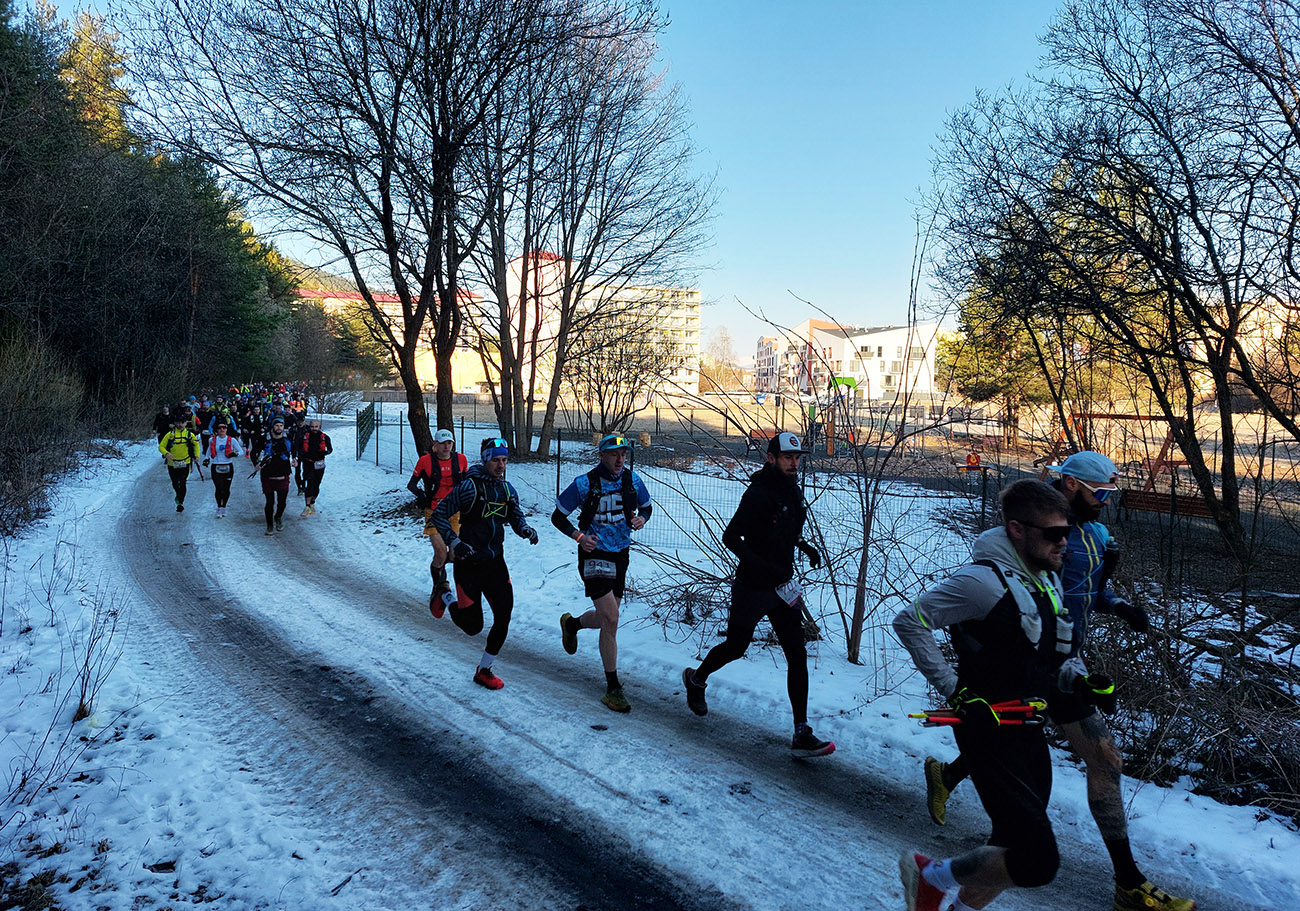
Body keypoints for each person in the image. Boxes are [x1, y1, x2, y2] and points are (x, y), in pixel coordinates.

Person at [921, 452, 1194, 911]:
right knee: (1087, 770)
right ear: (1070, 485)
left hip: (1064, 664)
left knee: (1078, 776)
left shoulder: (1094, 535)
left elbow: (1088, 593)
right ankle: (1126, 882)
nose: (1106, 500)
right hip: (1035, 667)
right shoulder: (1035, 535)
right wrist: (959, 683)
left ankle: (950, 785)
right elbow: (986, 600)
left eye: (1111, 491)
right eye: (1100, 491)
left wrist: (1120, 607)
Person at [893, 479, 1076, 911]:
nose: (1063, 542)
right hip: (988, 731)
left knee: (1008, 846)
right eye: (1053, 533)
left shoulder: (1045, 579)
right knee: (1038, 862)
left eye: (1066, 531)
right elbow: (910, 621)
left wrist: (1079, 679)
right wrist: (957, 691)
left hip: (1028, 729)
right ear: (1017, 529)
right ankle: (930, 875)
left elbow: (1052, 649)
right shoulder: (982, 583)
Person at [680, 432, 831, 757]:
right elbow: (731, 537)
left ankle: (801, 732)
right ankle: (697, 679)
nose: (794, 463)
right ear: (771, 458)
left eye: (797, 458)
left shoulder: (793, 491)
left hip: (783, 588)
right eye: (788, 458)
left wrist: (803, 545)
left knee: (797, 654)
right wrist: (758, 563)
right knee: (737, 646)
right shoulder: (757, 494)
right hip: (752, 587)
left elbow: (786, 530)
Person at [552, 432, 652, 713]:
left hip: (620, 553)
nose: (620, 460)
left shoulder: (633, 480)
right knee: (611, 618)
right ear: (602, 455)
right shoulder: (584, 483)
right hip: (593, 553)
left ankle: (572, 625)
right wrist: (579, 537)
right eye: (614, 454)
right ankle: (613, 687)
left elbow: (647, 507)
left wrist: (641, 518)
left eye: (623, 454)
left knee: (607, 618)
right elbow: (558, 516)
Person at [430, 437, 538, 690]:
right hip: (468, 564)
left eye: (504, 460)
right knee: (472, 626)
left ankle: (484, 670)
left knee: (504, 616)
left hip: (495, 563)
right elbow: (439, 515)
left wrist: (525, 529)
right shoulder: (469, 487)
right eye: (496, 460)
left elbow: (515, 516)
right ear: (485, 460)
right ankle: (444, 594)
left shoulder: (507, 490)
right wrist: (455, 542)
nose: (501, 466)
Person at [408, 429, 468, 618]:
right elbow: (412, 484)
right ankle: (439, 587)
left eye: (449, 442)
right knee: (441, 553)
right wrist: (422, 496)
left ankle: (445, 579)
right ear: (435, 444)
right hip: (434, 513)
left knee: (454, 555)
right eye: (442, 443)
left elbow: (467, 483)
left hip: (454, 512)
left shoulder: (461, 460)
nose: (446, 446)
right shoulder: (425, 461)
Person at [253, 415, 296, 534]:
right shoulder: (264, 439)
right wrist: (256, 464)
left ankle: (278, 517)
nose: (279, 428)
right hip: (268, 475)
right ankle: (269, 525)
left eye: (281, 425)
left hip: (283, 474)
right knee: (270, 502)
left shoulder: (288, 438)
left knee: (282, 502)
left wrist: (295, 458)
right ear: (272, 427)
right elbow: (254, 452)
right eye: (276, 425)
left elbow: (294, 449)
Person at [158, 412, 201, 512]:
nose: (180, 424)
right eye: (178, 422)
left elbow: (196, 445)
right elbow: (161, 446)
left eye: (182, 422)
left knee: (182, 482)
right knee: (174, 483)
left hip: (185, 462)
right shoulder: (170, 435)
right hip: (172, 463)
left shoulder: (189, 435)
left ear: (186, 423)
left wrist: (196, 456)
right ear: (175, 423)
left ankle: (180, 502)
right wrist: (166, 453)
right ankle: (178, 496)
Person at [206, 420, 244, 517]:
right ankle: (219, 507)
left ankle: (224, 507)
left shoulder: (232, 440)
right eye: (220, 428)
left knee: (226, 488)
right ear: (217, 430)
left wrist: (235, 454)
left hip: (228, 466)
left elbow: (241, 452)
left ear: (227, 429)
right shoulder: (212, 440)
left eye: (224, 428)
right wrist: (206, 459)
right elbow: (208, 451)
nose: (222, 430)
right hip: (216, 465)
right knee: (219, 488)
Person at [297, 418, 333, 516]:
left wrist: (325, 452)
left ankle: (312, 503)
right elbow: (298, 448)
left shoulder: (325, 437)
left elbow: (330, 449)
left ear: (319, 427)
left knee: (316, 484)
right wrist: (301, 455)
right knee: (310, 483)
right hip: (308, 463)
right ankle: (307, 506)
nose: (314, 428)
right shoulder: (304, 436)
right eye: (312, 427)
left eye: (316, 427)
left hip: (319, 464)